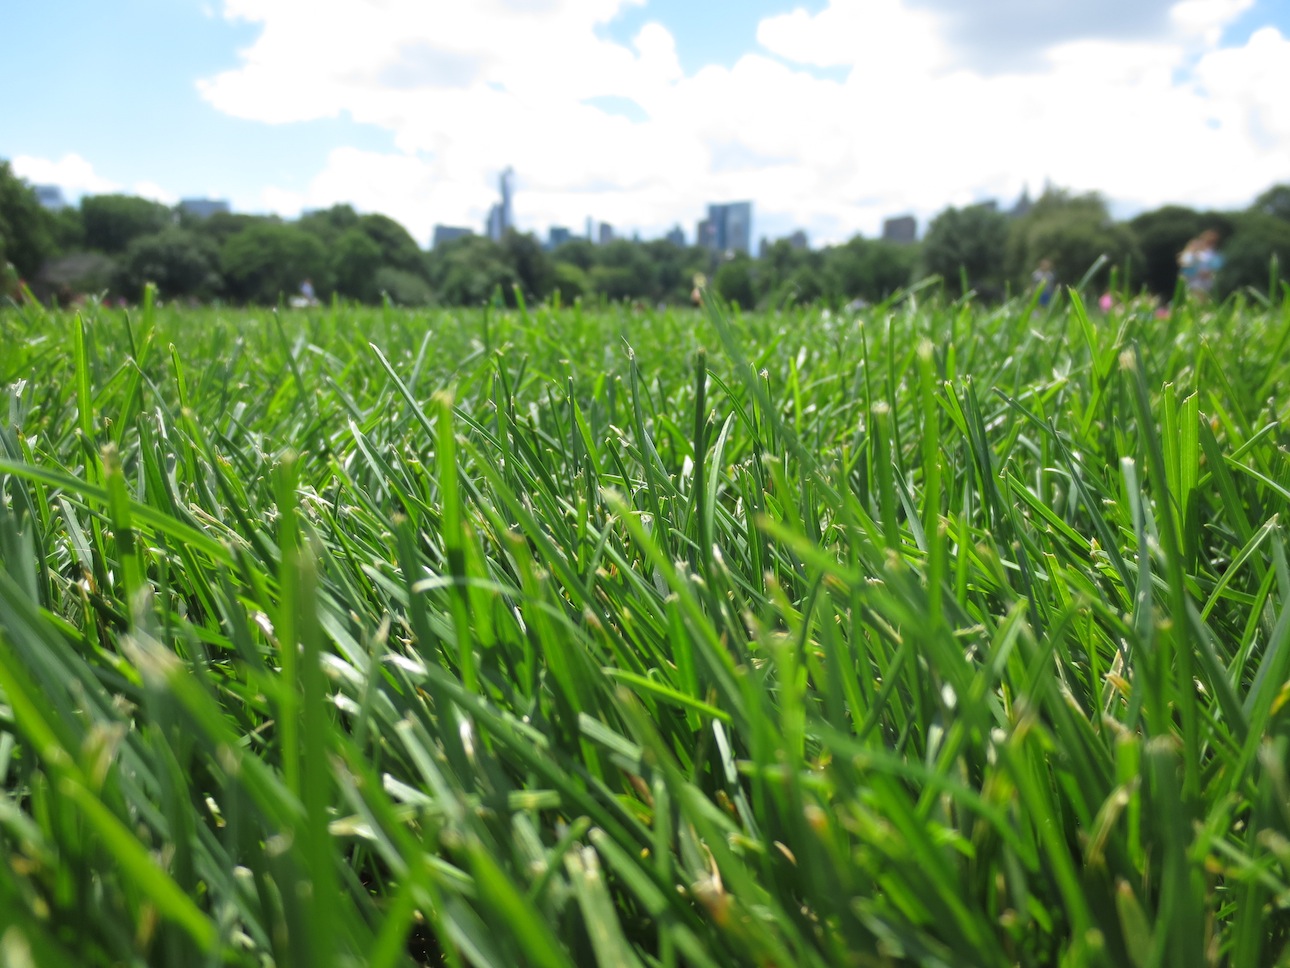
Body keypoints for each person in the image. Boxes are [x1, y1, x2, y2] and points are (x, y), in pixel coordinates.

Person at [1178, 230, 1223, 300]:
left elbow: (1213, 268)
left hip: (1203, 281)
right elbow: (1184, 263)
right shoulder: (1194, 251)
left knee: (1200, 299)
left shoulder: (1212, 254)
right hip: (1193, 280)